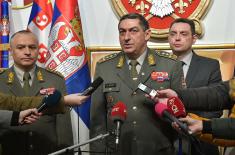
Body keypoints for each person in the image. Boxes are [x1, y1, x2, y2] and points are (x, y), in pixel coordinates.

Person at [90, 13, 183, 155]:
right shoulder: (105, 66)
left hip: (159, 150)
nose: (126, 37)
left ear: (147, 34)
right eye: (122, 32)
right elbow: (98, 120)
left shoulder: (170, 64)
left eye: (133, 31)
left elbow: (180, 116)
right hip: (117, 150)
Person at [0, 30, 73, 155]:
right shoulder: (1, 80)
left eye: (32, 47)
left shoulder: (54, 79)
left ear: (38, 50)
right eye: (21, 47)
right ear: (11, 51)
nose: (27, 52)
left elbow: (63, 126)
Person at [168, 18, 222, 155]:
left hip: (200, 142)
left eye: (183, 34)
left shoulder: (210, 66)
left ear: (194, 38)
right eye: (173, 34)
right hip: (166, 141)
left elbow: (217, 106)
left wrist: (191, 122)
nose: (177, 38)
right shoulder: (157, 66)